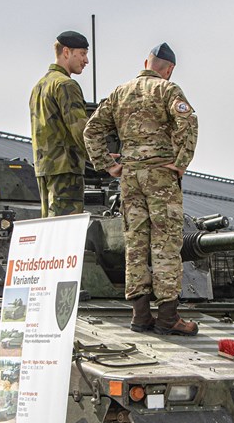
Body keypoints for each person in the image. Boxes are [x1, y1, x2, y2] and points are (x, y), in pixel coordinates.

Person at [83, 43, 199, 336]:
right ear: (169, 69)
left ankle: (140, 316)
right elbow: (189, 120)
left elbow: (91, 130)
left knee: (135, 244)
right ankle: (168, 318)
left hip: (130, 177)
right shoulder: (168, 91)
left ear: (146, 62)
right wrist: (181, 162)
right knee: (166, 243)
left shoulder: (119, 93)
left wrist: (108, 165)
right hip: (161, 175)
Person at [29, 30, 90, 217]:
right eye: (82, 54)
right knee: (65, 232)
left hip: (44, 169)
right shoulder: (66, 85)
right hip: (66, 169)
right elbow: (80, 130)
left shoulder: (39, 86)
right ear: (66, 52)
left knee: (50, 229)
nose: (86, 60)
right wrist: (104, 159)